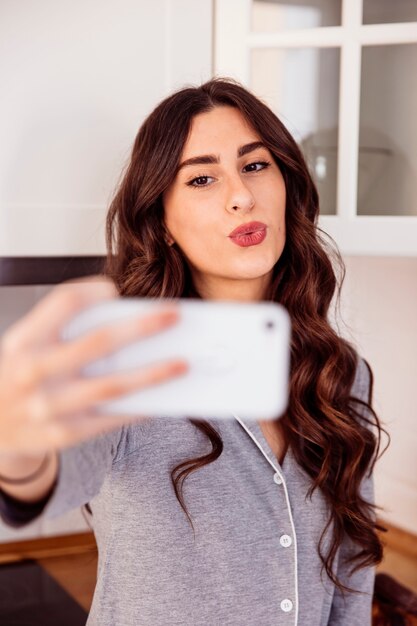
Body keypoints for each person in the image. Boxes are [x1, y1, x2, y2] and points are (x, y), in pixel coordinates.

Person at [0, 78, 385, 625]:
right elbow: (48, 473)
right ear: (163, 220)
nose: (241, 195)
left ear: (287, 185)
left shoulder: (341, 374)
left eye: (255, 165)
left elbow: (351, 571)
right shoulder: (124, 363)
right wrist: (15, 447)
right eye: (202, 178)